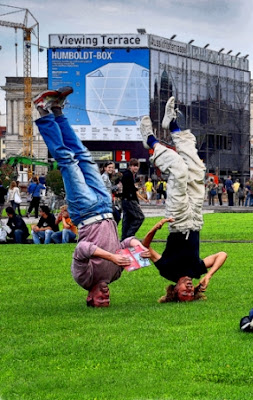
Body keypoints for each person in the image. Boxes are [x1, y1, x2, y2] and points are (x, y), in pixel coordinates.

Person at [33, 86, 144, 307]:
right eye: (108, 299)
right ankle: (57, 110)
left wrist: (112, 258)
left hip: (85, 211)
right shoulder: (115, 276)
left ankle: (42, 111)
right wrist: (138, 246)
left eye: (101, 299)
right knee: (83, 154)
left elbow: (82, 249)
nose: (106, 295)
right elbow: (119, 243)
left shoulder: (84, 279)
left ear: (89, 297)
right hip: (105, 208)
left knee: (67, 161)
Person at [138, 97, 228, 302]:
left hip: (176, 220)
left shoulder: (168, 271)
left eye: (183, 292)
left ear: (174, 290)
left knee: (178, 170)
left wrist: (156, 227)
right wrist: (208, 276)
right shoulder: (196, 270)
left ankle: (150, 140)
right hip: (196, 219)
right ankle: (173, 125)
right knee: (197, 169)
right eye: (190, 291)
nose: (188, 287)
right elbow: (221, 254)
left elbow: (147, 248)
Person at [120, 158, 146, 240]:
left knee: (127, 220)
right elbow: (130, 189)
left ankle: (124, 239)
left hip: (125, 200)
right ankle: (129, 235)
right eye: (134, 166)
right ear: (130, 166)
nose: (135, 168)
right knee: (140, 217)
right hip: (129, 199)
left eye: (137, 166)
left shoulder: (128, 174)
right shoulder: (128, 175)